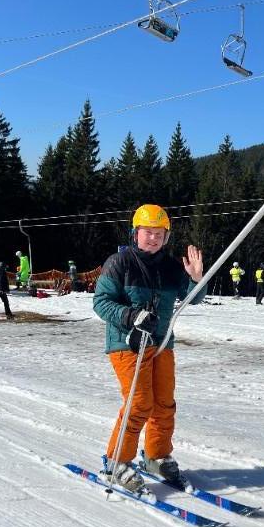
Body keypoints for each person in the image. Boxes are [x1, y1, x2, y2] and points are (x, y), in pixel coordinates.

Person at [93, 203, 206, 492]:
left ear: (166, 237)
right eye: (147, 232)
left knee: (164, 404)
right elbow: (101, 302)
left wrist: (196, 279)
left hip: (161, 343)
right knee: (140, 403)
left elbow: (192, 298)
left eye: (159, 233)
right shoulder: (119, 263)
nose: (153, 238)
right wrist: (131, 316)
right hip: (127, 344)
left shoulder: (170, 267)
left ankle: (156, 456)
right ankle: (117, 461)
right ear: (135, 233)